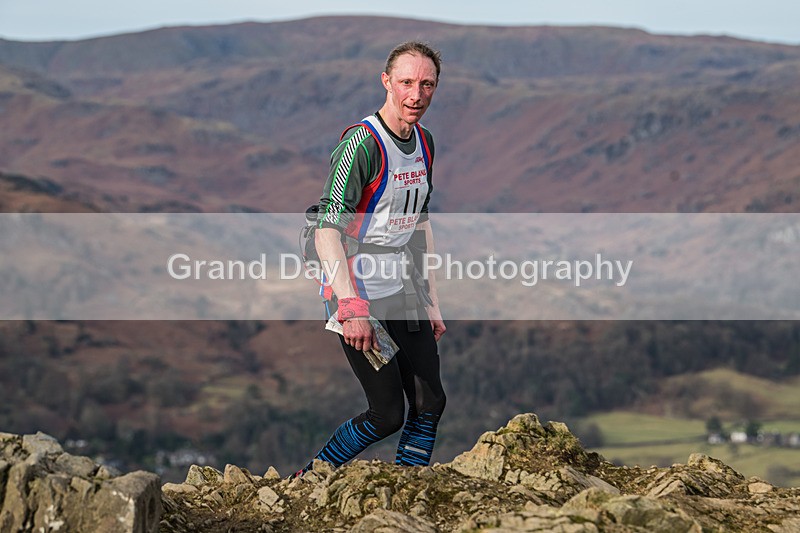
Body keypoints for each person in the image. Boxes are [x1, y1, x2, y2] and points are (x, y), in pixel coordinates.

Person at [295, 41, 447, 476]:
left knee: (429, 400)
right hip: (357, 292)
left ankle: (408, 484)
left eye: (426, 84)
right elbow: (327, 230)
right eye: (405, 83)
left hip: (402, 288)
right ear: (386, 82)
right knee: (387, 414)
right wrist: (351, 307)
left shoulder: (425, 142)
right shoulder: (362, 144)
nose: (415, 95)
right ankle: (311, 478)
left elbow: (419, 225)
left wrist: (432, 300)